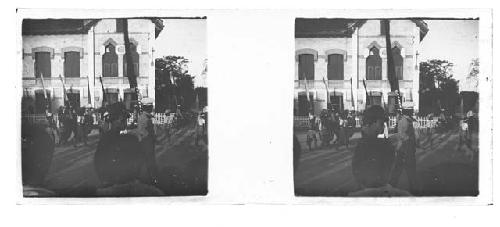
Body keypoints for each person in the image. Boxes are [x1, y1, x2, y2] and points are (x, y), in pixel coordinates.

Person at [350, 105, 410, 196]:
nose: (382, 129)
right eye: (381, 124)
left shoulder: (370, 143)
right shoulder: (371, 145)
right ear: (374, 122)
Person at [124, 98, 159, 185]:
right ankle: (150, 180)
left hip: (150, 141)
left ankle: (149, 178)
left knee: (148, 161)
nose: (151, 108)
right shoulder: (143, 118)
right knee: (148, 161)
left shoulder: (149, 116)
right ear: (147, 108)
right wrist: (129, 132)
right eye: (150, 106)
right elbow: (141, 131)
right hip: (146, 141)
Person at [390, 108, 418, 194]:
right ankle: (391, 187)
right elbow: (400, 134)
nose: (412, 112)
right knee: (399, 169)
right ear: (407, 112)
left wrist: (415, 140)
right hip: (403, 147)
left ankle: (413, 188)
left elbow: (415, 133)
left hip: (409, 148)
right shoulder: (403, 121)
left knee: (410, 170)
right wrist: (409, 138)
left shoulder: (410, 120)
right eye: (411, 111)